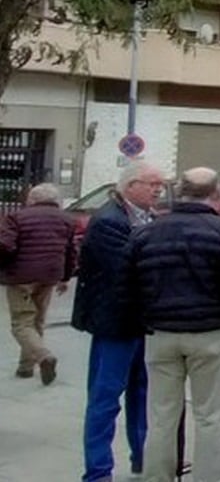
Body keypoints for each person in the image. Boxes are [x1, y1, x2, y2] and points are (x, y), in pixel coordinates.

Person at [128, 168, 220, 482]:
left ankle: (157, 476)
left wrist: (145, 320)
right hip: (212, 333)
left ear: (179, 192)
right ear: (215, 193)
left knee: (161, 416)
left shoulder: (147, 232)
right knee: (209, 416)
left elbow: (129, 285)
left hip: (162, 334)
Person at [74, 161, 164, 481]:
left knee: (142, 396)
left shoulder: (148, 217)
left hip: (142, 324)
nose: (158, 189)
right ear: (130, 186)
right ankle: (98, 472)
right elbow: (130, 270)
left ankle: (142, 458)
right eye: (152, 184)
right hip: (114, 324)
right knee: (105, 399)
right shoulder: (108, 221)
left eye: (161, 185)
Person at [0, 183, 76, 385]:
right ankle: (25, 368)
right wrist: (66, 277)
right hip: (49, 276)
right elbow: (70, 252)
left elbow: (5, 246)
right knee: (37, 321)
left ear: (31, 200)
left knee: (21, 323)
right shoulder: (67, 220)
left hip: (21, 277)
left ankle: (43, 356)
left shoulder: (16, 218)